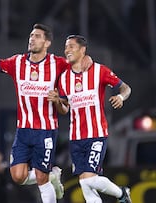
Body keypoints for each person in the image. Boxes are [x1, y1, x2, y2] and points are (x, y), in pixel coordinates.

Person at [0, 23, 92, 202]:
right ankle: (52, 176)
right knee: (17, 176)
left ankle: (48, 178)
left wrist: (85, 62)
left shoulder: (58, 63)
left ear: (47, 43)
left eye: (37, 36)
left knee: (41, 177)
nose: (32, 39)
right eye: (31, 35)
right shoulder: (17, 62)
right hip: (23, 131)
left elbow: (81, 64)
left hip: (45, 131)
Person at [48, 35, 132, 203]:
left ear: (82, 50)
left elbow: (126, 88)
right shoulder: (64, 78)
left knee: (89, 179)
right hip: (76, 138)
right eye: (66, 47)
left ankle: (122, 193)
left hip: (96, 134)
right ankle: (122, 194)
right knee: (86, 184)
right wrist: (57, 101)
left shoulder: (99, 71)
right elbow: (65, 109)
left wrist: (121, 98)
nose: (67, 50)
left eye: (71, 46)